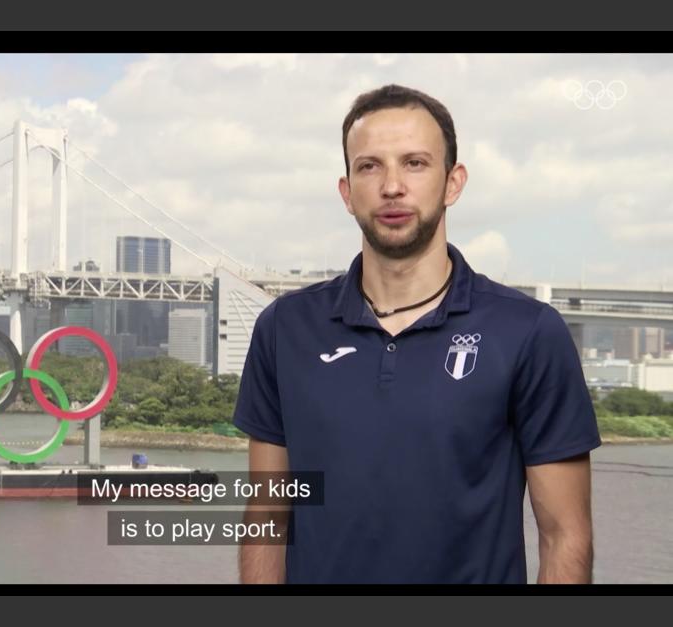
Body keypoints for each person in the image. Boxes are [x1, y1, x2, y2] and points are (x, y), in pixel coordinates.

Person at [232, 84, 601, 584]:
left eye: (415, 163)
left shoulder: (529, 333)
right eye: (370, 166)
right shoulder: (283, 329)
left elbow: (565, 538)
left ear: (453, 183)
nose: (392, 187)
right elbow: (267, 519)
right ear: (346, 191)